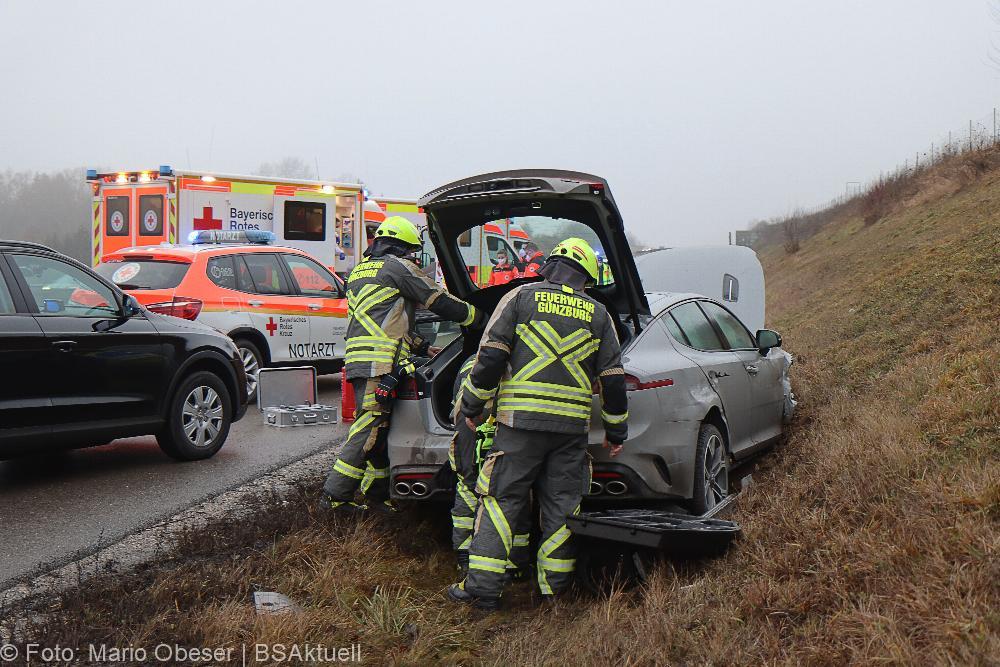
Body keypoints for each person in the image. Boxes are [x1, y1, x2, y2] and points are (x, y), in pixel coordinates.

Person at [446, 237, 629, 610]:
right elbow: (612, 378)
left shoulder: (520, 298)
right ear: (587, 278)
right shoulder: (598, 315)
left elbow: (491, 355)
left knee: (500, 501)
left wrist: (472, 405)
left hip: (519, 426)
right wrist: (615, 431)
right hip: (571, 432)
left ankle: (482, 590)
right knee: (563, 507)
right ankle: (555, 592)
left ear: (551, 265)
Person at [322, 216, 480, 514]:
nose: (413, 258)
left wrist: (422, 347)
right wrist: (481, 318)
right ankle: (335, 495)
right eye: (412, 252)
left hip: (361, 360)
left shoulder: (360, 271)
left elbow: (386, 319)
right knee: (368, 429)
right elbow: (438, 300)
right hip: (378, 363)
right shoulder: (398, 268)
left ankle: (376, 495)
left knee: (380, 429)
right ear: (404, 248)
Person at [448, 358, 530, 576]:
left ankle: (465, 556)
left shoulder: (471, 362)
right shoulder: (526, 359)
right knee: (511, 487)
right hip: (504, 419)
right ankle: (515, 564)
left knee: (468, 484)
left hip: (469, 419)